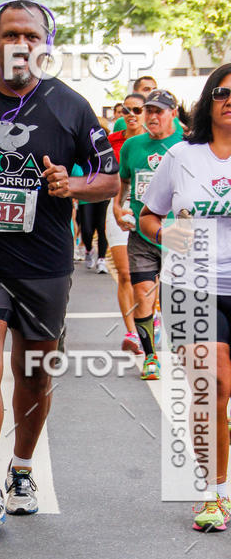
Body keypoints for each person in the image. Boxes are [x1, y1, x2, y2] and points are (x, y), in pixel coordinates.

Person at [0, 0, 119, 530]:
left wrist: (73, 184)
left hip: (44, 261)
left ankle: (22, 468)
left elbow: (110, 176)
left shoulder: (71, 105)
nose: (21, 44)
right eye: (10, 34)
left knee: (34, 372)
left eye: (32, 36)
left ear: (45, 46)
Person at [139, 63, 231, 531]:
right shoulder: (181, 156)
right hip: (191, 287)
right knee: (211, 386)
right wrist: (166, 234)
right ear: (207, 102)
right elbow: (148, 216)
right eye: (223, 92)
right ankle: (214, 491)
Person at [114, 89, 183, 379]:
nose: (152, 117)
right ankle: (150, 355)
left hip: (178, 235)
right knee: (142, 290)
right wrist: (118, 209)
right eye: (148, 111)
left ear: (173, 114)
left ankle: (185, 354)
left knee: (174, 298)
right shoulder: (132, 145)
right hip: (142, 233)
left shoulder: (188, 144)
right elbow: (123, 184)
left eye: (159, 111)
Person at [106, 92, 146, 353]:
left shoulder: (157, 141)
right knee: (125, 274)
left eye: (138, 110)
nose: (132, 115)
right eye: (126, 110)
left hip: (150, 213)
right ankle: (133, 332)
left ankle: (149, 323)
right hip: (118, 209)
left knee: (149, 276)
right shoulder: (111, 142)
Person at [71, 162, 109, 274]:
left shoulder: (105, 146)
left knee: (101, 226)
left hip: (103, 190)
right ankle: (89, 249)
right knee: (87, 228)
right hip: (86, 189)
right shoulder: (85, 146)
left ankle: (101, 259)